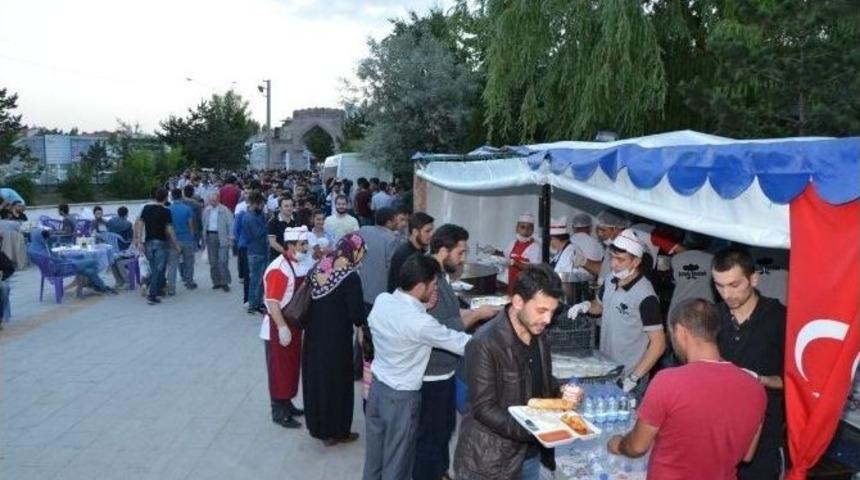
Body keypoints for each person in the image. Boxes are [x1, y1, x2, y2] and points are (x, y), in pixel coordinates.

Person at [606, 298, 766, 479]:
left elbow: (637, 447)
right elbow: (747, 454)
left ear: (680, 332)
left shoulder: (668, 381)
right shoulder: (755, 388)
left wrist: (618, 444)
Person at [454, 264, 578, 480]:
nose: (548, 320)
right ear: (518, 301)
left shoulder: (539, 334)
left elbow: (540, 382)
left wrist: (563, 391)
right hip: (491, 461)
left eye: (552, 311)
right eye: (541, 310)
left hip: (529, 456)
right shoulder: (485, 342)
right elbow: (484, 408)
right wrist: (536, 430)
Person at [363, 254, 472, 480]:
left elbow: (407, 322)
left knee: (375, 459)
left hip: (377, 391)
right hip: (401, 399)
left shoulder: (383, 300)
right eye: (433, 286)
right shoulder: (420, 323)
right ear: (420, 285)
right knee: (397, 463)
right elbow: (461, 344)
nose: (435, 291)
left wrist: (423, 307)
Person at [415, 224, 500, 480]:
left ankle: (440, 472)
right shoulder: (431, 282)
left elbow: (451, 314)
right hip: (433, 372)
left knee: (443, 429)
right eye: (460, 253)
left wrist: (478, 310)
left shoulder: (440, 277)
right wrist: (478, 314)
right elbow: (443, 328)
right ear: (443, 251)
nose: (462, 259)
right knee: (431, 434)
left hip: (445, 370)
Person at [712, 246, 787, 480]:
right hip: (718, 431)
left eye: (734, 285)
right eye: (719, 285)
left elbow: (797, 383)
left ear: (753, 279)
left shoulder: (780, 318)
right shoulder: (713, 317)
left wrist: (758, 379)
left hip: (764, 437)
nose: (726, 294)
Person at [568, 228, 666, 399]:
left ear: (636, 261)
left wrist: (634, 378)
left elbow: (658, 344)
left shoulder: (646, 296)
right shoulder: (610, 280)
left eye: (621, 259)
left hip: (629, 375)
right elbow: (599, 306)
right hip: (607, 368)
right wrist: (585, 306)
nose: (614, 264)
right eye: (613, 257)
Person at [303, 232, 368, 446]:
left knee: (318, 382)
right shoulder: (350, 277)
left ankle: (320, 429)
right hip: (337, 342)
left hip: (313, 339)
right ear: (354, 251)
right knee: (338, 385)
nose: (362, 255)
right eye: (361, 251)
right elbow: (357, 315)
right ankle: (338, 431)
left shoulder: (319, 267)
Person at [260, 227, 308, 429]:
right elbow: (272, 302)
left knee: (290, 367)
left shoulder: (297, 264)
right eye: (302, 245)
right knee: (279, 370)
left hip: (293, 325)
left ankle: (287, 402)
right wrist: (281, 328)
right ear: (289, 246)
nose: (305, 248)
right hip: (278, 327)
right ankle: (279, 412)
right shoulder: (279, 269)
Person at [30, 230, 115, 295]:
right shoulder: (43, 249)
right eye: (45, 238)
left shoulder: (35, 248)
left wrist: (63, 258)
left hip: (54, 268)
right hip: (63, 268)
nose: (46, 239)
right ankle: (97, 285)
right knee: (93, 261)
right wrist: (65, 260)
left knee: (88, 270)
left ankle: (100, 286)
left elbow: (52, 258)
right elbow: (55, 260)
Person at [134, 188, 180, 305]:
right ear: (165, 198)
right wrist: (176, 244)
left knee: (155, 269)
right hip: (161, 243)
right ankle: (152, 294)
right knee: (158, 270)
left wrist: (139, 241)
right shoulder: (166, 211)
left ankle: (149, 286)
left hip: (148, 242)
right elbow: (169, 229)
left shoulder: (146, 208)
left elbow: (139, 224)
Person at [483, 213, 542, 296]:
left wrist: (513, 262)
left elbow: (533, 268)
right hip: (512, 282)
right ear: (516, 228)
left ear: (532, 230)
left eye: (529, 228)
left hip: (526, 285)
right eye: (523, 227)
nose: (525, 231)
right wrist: (494, 251)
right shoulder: (513, 243)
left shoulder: (535, 247)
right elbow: (505, 256)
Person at [358, 207, 400, 311]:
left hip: (362, 287)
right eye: (396, 219)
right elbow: (392, 267)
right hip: (380, 291)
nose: (398, 222)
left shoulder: (363, 230)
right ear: (389, 222)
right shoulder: (392, 239)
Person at [666, 232, 714, 322]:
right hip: (705, 309)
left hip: (679, 308)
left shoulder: (676, 259)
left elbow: (673, 280)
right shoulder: (711, 259)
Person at [387, 212, 434, 293]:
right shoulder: (404, 255)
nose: (431, 235)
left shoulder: (421, 251)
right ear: (415, 231)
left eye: (431, 231)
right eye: (427, 231)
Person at [243, 192, 270, 314]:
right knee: (256, 280)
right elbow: (257, 233)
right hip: (256, 252)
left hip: (260, 251)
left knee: (259, 280)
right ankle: (253, 304)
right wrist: (268, 223)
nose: (263, 207)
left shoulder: (256, 215)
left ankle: (257, 303)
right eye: (262, 204)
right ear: (255, 203)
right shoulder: (250, 217)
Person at [166, 188, 197, 295]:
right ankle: (189, 282)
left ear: (172, 197)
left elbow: (167, 227)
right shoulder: (187, 208)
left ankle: (171, 288)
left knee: (173, 265)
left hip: (173, 240)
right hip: (186, 238)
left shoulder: (168, 209)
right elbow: (190, 224)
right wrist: (192, 237)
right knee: (189, 262)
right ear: (181, 196)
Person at [202, 192, 234, 292]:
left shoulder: (225, 210)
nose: (213, 202)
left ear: (218, 200)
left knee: (223, 261)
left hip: (222, 236)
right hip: (210, 236)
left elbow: (231, 225)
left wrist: (231, 238)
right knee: (213, 262)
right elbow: (204, 223)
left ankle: (225, 282)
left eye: (215, 200)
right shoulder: (206, 210)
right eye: (211, 200)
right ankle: (216, 282)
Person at [595, 209, 629, 283]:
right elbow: (604, 271)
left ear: (616, 229)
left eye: (603, 230)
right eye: (599, 230)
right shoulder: (611, 246)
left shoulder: (625, 250)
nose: (600, 234)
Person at [569, 213, 604, 281]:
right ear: (590, 228)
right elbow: (600, 268)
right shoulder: (596, 244)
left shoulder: (567, 241)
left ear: (573, 227)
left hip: (566, 281)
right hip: (587, 283)